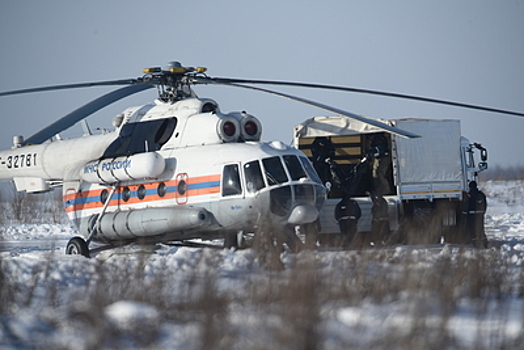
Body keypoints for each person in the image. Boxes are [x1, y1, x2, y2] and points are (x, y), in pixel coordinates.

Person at [462, 181, 488, 248]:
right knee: (480, 228)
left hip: (472, 214)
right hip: (480, 214)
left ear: (470, 187)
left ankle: (475, 243)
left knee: (472, 229)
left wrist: (465, 213)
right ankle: (485, 242)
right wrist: (483, 212)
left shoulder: (469, 195)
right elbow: (485, 204)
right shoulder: (481, 194)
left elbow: (466, 204)